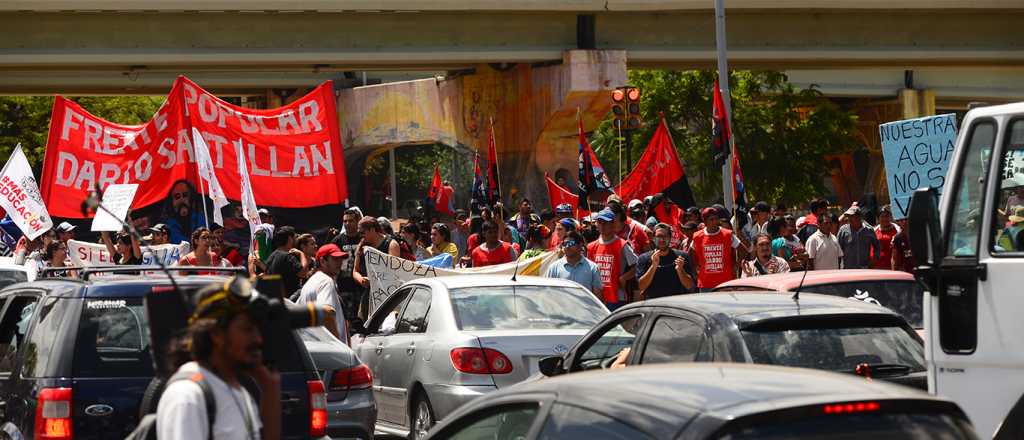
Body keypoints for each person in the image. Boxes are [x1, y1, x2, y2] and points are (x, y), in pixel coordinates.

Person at [156, 278, 282, 440]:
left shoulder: (239, 391)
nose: (258, 339)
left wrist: (270, 389)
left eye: (257, 330)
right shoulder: (188, 397)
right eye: (247, 329)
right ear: (216, 334)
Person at [296, 244, 349, 342]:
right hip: (328, 350)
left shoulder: (311, 282)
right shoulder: (326, 281)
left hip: (315, 347)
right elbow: (326, 311)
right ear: (322, 261)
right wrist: (338, 346)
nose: (340, 263)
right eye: (335, 259)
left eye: (341, 259)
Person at [587, 208, 638, 310]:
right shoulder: (591, 247)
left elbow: (637, 266)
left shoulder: (622, 245)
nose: (602, 225)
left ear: (613, 224)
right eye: (599, 222)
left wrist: (624, 278)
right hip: (597, 297)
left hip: (617, 297)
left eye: (606, 222)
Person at [352, 217, 402, 319]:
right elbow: (355, 271)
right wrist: (361, 280)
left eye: (362, 232)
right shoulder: (361, 246)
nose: (360, 236)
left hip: (388, 296)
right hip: (368, 296)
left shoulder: (391, 244)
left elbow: (394, 271)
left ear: (372, 230)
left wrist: (376, 280)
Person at [636, 223, 695, 299]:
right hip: (653, 305)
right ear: (653, 238)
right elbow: (641, 286)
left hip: (677, 305)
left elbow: (689, 285)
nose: (662, 239)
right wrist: (653, 266)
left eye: (665, 236)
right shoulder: (644, 258)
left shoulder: (681, 257)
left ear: (670, 238)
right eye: (659, 236)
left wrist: (680, 270)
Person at [691, 207, 743, 291]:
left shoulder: (727, 234)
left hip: (725, 282)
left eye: (716, 219)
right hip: (706, 283)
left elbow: (743, 250)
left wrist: (737, 264)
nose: (715, 222)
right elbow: (690, 253)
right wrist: (694, 270)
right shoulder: (698, 236)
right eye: (711, 219)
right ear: (705, 222)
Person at [544, 230, 603, 296]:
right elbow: (548, 293)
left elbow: (597, 295)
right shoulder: (554, 268)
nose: (567, 247)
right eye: (564, 244)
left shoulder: (593, 268)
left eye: (571, 243)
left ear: (580, 245)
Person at [263, 226, 310, 297]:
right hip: (289, 301)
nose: (296, 239)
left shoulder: (271, 256)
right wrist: (302, 254)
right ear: (290, 239)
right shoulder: (287, 256)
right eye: (295, 237)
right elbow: (303, 273)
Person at [163, 180, 207, 245]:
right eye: (177, 196)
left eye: (185, 195)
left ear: (191, 198)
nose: (182, 200)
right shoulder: (167, 225)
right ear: (171, 202)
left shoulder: (201, 218)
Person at [837, 205, 879, 269]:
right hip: (848, 270)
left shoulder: (869, 230)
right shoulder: (843, 230)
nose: (849, 218)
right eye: (848, 216)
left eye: (852, 216)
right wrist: (838, 267)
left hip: (865, 269)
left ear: (859, 217)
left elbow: (877, 247)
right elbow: (838, 250)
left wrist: (874, 260)